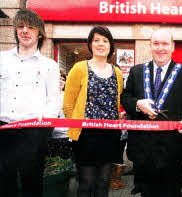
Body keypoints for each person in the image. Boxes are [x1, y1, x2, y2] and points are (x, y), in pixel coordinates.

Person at [121, 29, 182, 197]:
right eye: (156, 43)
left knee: (171, 192)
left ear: (172, 47)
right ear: (150, 46)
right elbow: (125, 98)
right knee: (146, 193)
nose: (160, 48)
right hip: (143, 149)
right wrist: (137, 104)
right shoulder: (136, 71)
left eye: (164, 44)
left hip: (173, 149)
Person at [0, 8, 60, 197]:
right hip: (3, 130)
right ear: (16, 30)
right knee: (3, 182)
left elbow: (53, 100)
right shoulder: (2, 59)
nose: (25, 30)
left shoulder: (49, 65)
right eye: (21, 26)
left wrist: (43, 129)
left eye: (31, 27)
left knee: (32, 182)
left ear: (40, 33)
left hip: (33, 132)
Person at [63, 26, 123, 197]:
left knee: (103, 184)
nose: (100, 44)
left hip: (110, 136)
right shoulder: (79, 68)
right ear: (90, 44)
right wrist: (75, 127)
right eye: (96, 40)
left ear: (111, 46)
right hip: (85, 136)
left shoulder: (117, 73)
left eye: (105, 40)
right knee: (86, 184)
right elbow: (68, 104)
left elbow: (116, 102)